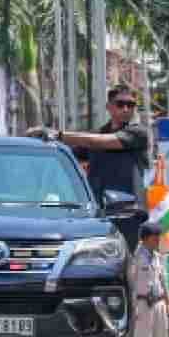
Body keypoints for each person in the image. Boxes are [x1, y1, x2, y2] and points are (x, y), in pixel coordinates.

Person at [26, 84, 149, 248]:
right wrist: (38, 146)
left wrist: (58, 135)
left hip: (127, 213)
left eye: (131, 105)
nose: (126, 109)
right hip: (97, 212)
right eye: (120, 104)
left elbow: (95, 142)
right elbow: (67, 158)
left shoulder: (137, 133)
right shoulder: (98, 134)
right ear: (109, 107)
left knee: (123, 257)